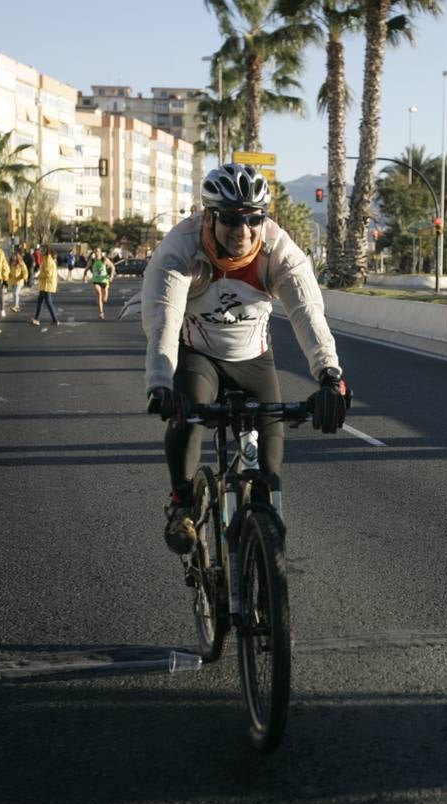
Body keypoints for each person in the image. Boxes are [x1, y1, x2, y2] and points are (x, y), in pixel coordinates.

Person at [140, 163, 348, 555]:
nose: (243, 230)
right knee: (189, 417)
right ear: (209, 216)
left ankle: (262, 552)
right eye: (232, 219)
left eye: (254, 218)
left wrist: (329, 376)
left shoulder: (279, 252)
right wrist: (160, 384)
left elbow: (309, 316)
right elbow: (163, 320)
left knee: (269, 467)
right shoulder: (181, 249)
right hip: (199, 354)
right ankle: (181, 503)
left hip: (253, 358)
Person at [30, 249, 59, 325]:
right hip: (45, 284)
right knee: (40, 301)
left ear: (46, 252)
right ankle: (37, 319)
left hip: (47, 284)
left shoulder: (48, 260)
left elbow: (48, 274)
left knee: (48, 302)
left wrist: (38, 276)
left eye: (42, 250)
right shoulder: (46, 259)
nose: (40, 251)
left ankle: (55, 320)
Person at [86, 248, 116, 319]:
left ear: (100, 252)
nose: (96, 253)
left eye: (98, 251)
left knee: (104, 299)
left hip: (104, 281)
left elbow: (113, 267)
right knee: (99, 294)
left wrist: (111, 276)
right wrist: (85, 275)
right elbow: (87, 268)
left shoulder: (104, 259)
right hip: (96, 281)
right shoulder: (92, 261)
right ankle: (101, 313)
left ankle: (101, 304)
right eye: (95, 251)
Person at [6, 247, 29, 314]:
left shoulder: (21, 263)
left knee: (15, 293)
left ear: (17, 257)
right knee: (14, 294)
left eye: (15, 256)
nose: (13, 257)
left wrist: (25, 278)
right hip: (13, 281)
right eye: (13, 256)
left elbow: (25, 271)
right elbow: (8, 271)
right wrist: (7, 276)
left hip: (19, 281)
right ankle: (16, 306)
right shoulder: (10, 263)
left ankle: (15, 306)